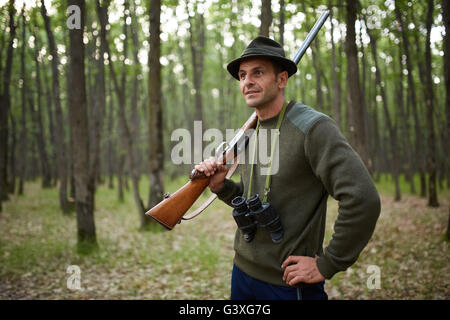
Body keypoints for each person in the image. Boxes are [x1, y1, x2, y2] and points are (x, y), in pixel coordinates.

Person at [194, 36, 381, 300]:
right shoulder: (249, 133)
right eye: (243, 75)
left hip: (288, 285)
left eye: (258, 73)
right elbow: (254, 201)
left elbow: (363, 198)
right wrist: (222, 188)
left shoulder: (313, 128)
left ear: (281, 80)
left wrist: (328, 263)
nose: (248, 81)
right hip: (243, 274)